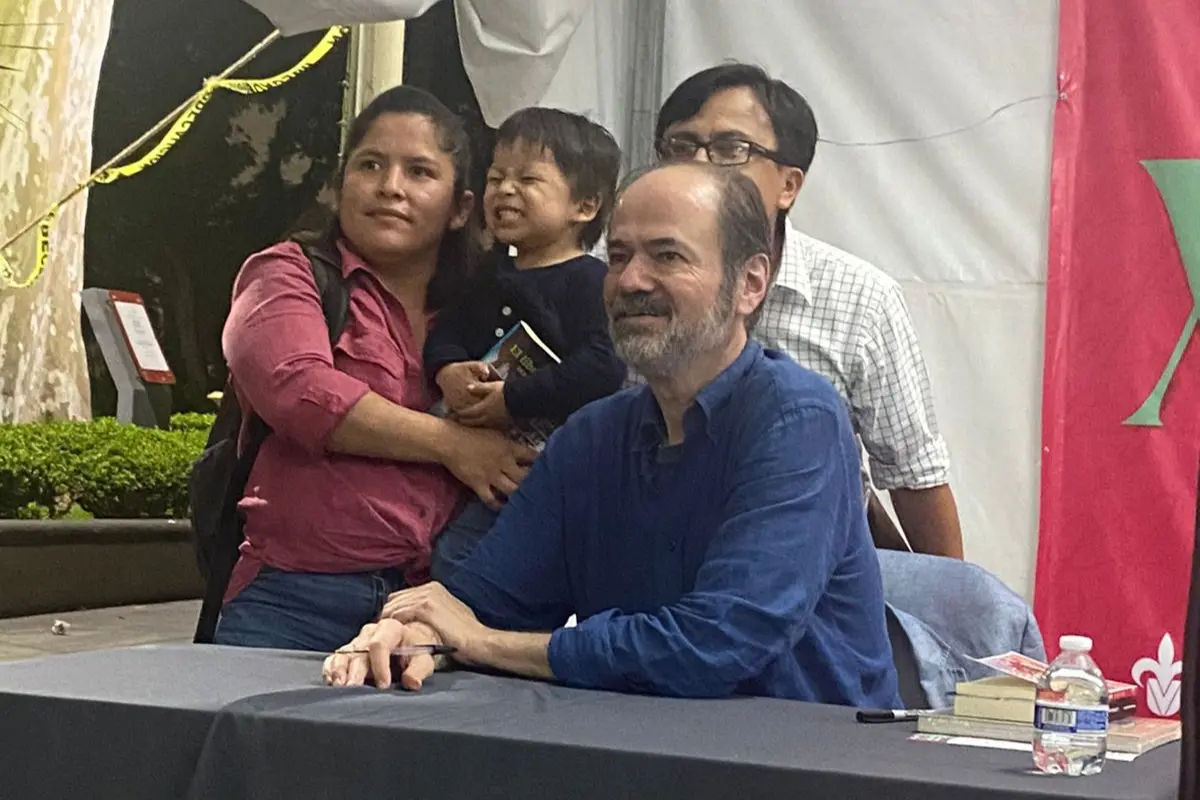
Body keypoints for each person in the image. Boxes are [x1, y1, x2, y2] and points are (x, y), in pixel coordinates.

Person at [323, 162, 901, 709]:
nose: (630, 281)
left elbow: (721, 642)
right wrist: (413, 633)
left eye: (667, 256)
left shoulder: (797, 419)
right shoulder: (593, 437)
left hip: (810, 766)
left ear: (750, 283)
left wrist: (482, 644)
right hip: (635, 756)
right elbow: (484, 600)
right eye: (618, 255)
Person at [212, 86, 536, 653]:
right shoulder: (288, 274)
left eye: (419, 172)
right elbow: (299, 390)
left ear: (460, 208)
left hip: (442, 616)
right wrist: (451, 444)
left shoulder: (486, 313)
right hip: (294, 602)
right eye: (370, 165)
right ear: (340, 188)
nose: (391, 187)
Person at [652, 64, 964, 559]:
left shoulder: (861, 298)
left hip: (809, 563)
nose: (700, 165)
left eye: (732, 150)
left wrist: (952, 606)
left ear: (788, 185)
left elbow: (914, 475)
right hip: (650, 550)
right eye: (679, 146)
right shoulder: (619, 278)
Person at [423, 107, 626, 581]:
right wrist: (448, 370)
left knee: (464, 560)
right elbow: (448, 332)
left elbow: (603, 366)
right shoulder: (486, 273)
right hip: (468, 460)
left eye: (528, 179)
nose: (505, 190)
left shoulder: (591, 282)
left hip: (551, 472)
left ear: (585, 206)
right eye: (496, 177)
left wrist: (512, 400)